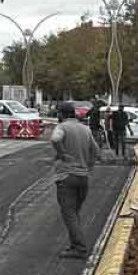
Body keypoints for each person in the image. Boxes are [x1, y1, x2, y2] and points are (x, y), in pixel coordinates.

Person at [50, 102, 98, 259]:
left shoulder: (62, 127)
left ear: (62, 114)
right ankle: (73, 245)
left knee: (69, 213)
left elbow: (56, 139)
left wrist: (62, 154)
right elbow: (95, 149)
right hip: (83, 177)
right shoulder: (85, 129)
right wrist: (89, 166)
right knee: (74, 213)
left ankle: (79, 248)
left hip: (66, 176)